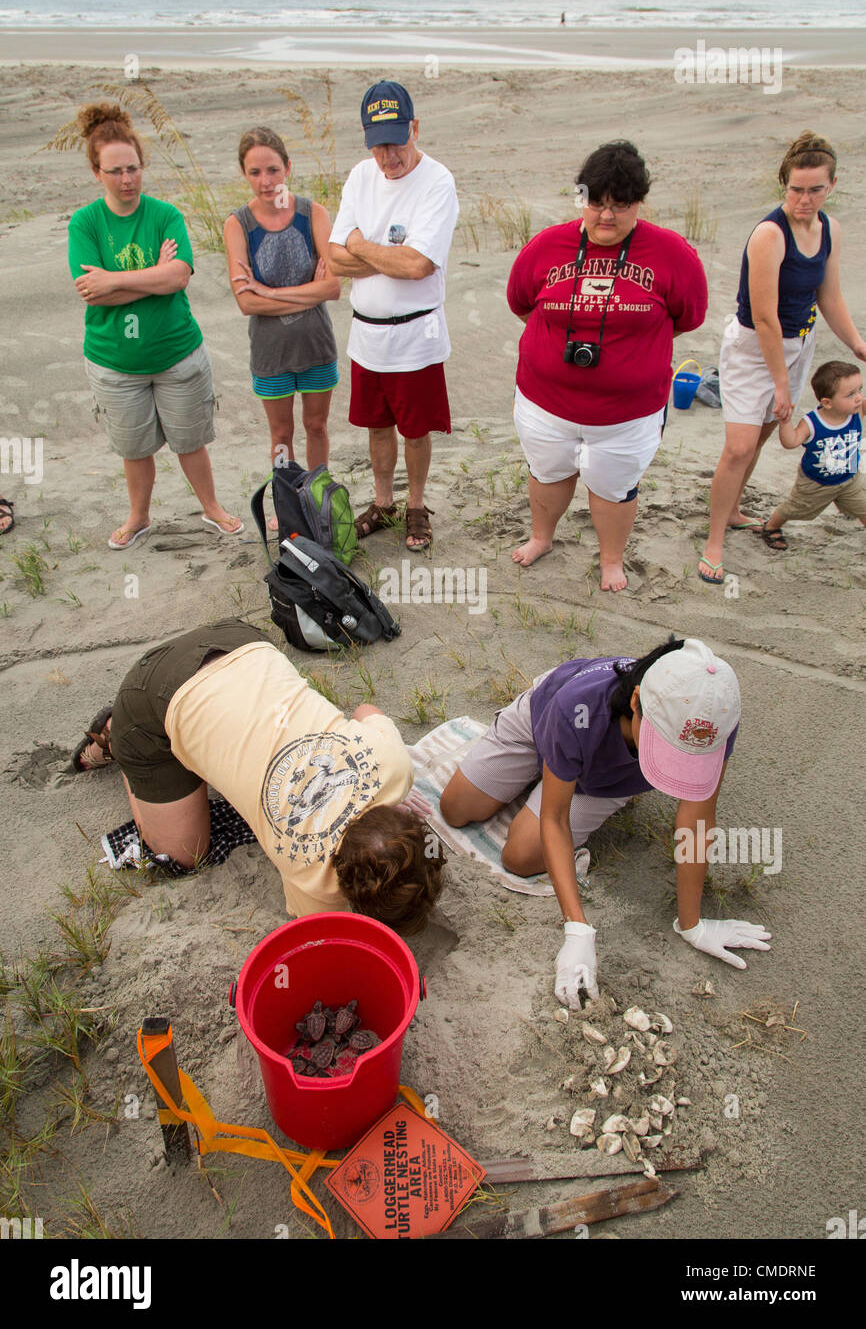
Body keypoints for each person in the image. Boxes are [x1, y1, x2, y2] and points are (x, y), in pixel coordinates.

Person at [440, 638, 770, 1007]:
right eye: (666, 749)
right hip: (546, 720)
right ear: (635, 703)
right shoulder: (577, 707)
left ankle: (562, 774)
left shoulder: (714, 718)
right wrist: (577, 928)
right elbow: (554, 818)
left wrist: (692, 924)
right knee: (456, 809)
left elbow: (697, 818)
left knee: (520, 856)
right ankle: (545, 763)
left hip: (604, 779)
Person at [72, 620, 444, 932]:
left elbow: (366, 710)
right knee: (182, 856)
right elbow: (314, 929)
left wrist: (389, 795)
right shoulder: (317, 885)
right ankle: (121, 736)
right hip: (152, 692)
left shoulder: (395, 766)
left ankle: (191, 751)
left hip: (242, 642)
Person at [506, 141, 707, 591]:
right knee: (548, 471)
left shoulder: (674, 254)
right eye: (596, 203)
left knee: (614, 486)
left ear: (640, 203)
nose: (606, 216)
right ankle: (542, 537)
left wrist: (630, 349)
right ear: (583, 198)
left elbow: (687, 317)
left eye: (620, 205)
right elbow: (522, 304)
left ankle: (611, 560)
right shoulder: (546, 245)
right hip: (546, 402)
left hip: (627, 413)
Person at [68, 104, 242, 550]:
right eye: (115, 171)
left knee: (190, 442)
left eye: (133, 169)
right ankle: (138, 516)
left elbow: (179, 276)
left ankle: (212, 508)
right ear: (96, 172)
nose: (127, 179)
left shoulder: (165, 215)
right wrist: (152, 280)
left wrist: (117, 280)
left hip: (176, 352)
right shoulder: (86, 222)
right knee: (134, 449)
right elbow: (92, 292)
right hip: (114, 360)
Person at [699, 130, 866, 584]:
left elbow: (829, 295)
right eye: (796, 188)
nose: (804, 199)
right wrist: (779, 384)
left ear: (832, 186)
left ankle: (733, 510)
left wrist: (856, 344)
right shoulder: (769, 235)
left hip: (799, 344)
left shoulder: (829, 227)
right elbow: (767, 318)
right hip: (755, 348)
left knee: (761, 439)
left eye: (815, 189)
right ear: (783, 184)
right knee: (737, 447)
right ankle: (714, 540)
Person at [327, 80, 459, 551]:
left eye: (397, 140)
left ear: (415, 128)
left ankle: (417, 505)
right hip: (367, 333)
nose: (389, 155)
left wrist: (361, 244)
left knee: (415, 428)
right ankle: (384, 503)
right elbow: (333, 257)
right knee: (377, 426)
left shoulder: (437, 181)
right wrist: (386, 255)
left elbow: (418, 264)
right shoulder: (361, 176)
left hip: (416, 332)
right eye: (379, 143)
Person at [224, 128, 341, 532]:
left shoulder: (314, 214)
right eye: (255, 172)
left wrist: (269, 290)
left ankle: (320, 497)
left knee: (316, 426)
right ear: (245, 174)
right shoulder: (237, 225)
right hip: (270, 352)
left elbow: (333, 287)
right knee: (281, 432)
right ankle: (285, 500)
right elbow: (246, 303)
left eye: (273, 169)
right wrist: (308, 292)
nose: (266, 180)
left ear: (288, 167)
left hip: (316, 344)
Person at [758, 360, 865, 551]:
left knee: (863, 505)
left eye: (860, 390)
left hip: (849, 478)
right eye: (851, 394)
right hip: (816, 483)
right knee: (795, 508)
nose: (858, 398)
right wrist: (785, 422)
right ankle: (771, 526)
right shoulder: (812, 423)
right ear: (827, 402)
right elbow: (791, 442)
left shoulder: (857, 411)